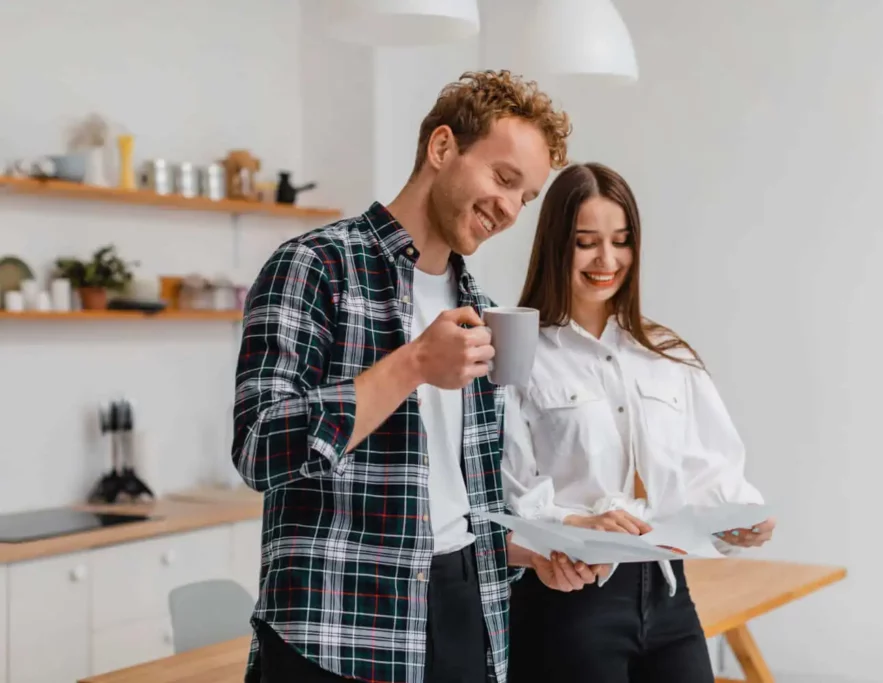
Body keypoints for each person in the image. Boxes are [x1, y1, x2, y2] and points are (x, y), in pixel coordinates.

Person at [231, 70, 592, 683]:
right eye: (504, 179)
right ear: (443, 147)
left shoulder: (480, 305)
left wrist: (520, 551)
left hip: (463, 616)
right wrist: (413, 364)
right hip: (337, 626)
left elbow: (448, 499)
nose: (509, 209)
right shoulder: (314, 267)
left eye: (526, 197)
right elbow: (258, 449)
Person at [501, 162, 777, 683]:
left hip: (669, 597)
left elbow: (711, 472)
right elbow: (508, 492)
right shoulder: (520, 354)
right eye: (587, 242)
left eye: (621, 241)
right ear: (556, 244)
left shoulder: (668, 355)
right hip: (570, 607)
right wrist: (575, 525)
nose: (607, 259)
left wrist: (740, 519)